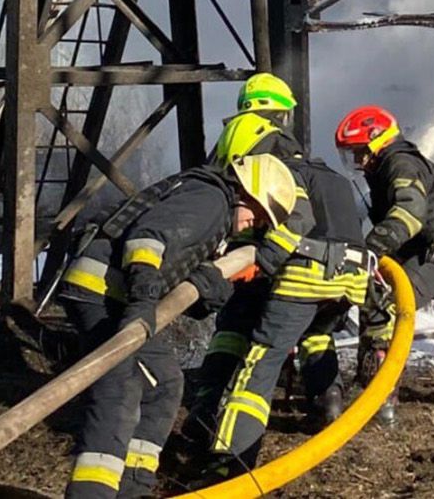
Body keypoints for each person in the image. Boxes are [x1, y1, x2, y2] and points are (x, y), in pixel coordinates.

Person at [60, 154, 297, 499]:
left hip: (121, 299)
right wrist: (142, 301)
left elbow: (175, 270)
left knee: (165, 385)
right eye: (256, 214)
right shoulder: (210, 199)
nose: (252, 225)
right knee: (120, 390)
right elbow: (148, 240)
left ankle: (133, 490)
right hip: (102, 293)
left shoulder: (212, 213)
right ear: (245, 192)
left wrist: (210, 285)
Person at [186, 110, 368, 480]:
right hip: (350, 277)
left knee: (260, 362)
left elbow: (293, 222)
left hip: (307, 271)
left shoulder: (282, 172)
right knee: (317, 335)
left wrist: (260, 260)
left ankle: (230, 462)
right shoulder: (331, 176)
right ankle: (328, 401)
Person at [335, 105, 434, 424]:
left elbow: (409, 214)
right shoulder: (387, 166)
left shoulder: (400, 162)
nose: (357, 162)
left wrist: (370, 250)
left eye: (359, 152)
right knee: (374, 293)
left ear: (377, 142)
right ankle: (369, 384)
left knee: (389, 304)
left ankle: (382, 399)